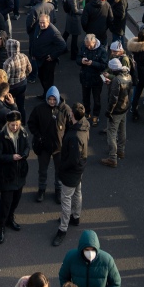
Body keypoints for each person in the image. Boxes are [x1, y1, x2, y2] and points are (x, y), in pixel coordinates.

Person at [51, 102, 88, 247]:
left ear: (72, 115)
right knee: (77, 192)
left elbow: (72, 159)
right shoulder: (84, 126)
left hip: (70, 171)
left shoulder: (73, 136)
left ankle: (63, 228)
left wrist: (61, 167)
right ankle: (76, 216)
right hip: (79, 169)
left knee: (66, 198)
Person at [28, 86, 73, 203]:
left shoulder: (66, 110)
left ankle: (58, 190)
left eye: (54, 99)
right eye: (50, 99)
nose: (52, 102)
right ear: (46, 99)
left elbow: (70, 128)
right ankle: (41, 189)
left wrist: (66, 141)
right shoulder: (39, 109)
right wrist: (38, 135)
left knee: (59, 171)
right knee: (42, 170)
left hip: (59, 147)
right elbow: (31, 123)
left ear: (57, 99)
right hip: (44, 146)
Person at [0, 110, 30, 243]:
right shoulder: (1, 136)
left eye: (16, 125)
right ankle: (1, 226)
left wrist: (24, 154)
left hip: (19, 174)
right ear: (7, 124)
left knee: (16, 199)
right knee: (5, 202)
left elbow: (27, 147)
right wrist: (11, 157)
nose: (14, 128)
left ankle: (10, 219)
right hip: (6, 175)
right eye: (12, 125)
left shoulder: (23, 133)